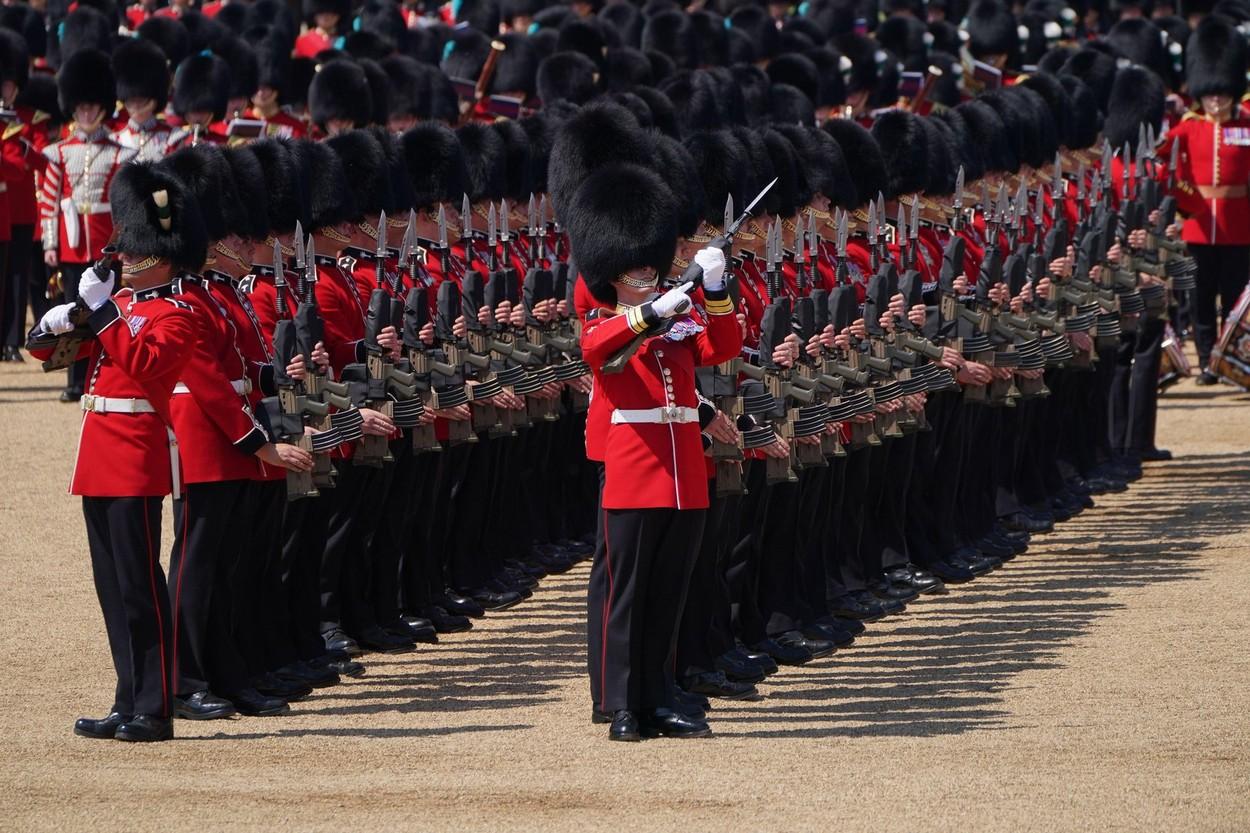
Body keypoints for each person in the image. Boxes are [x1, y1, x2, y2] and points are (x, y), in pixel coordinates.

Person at [27, 161, 207, 742]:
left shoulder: (178, 314)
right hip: (98, 455)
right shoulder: (122, 306)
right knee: (112, 588)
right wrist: (56, 322)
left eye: (130, 252)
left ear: (159, 255)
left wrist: (104, 310)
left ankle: (155, 708)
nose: (121, 259)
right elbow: (49, 357)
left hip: (134, 458)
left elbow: (147, 365)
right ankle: (127, 697)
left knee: (138, 585)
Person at [568, 161, 742, 741]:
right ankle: (621, 703)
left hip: (682, 466)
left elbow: (722, 347)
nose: (648, 274)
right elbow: (599, 348)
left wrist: (713, 290)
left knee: (669, 591)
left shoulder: (676, 316)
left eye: (652, 268)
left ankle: (658, 695)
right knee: (627, 592)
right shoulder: (607, 318)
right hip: (634, 462)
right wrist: (650, 311)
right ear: (613, 274)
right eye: (638, 271)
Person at [38, 48, 135, 401]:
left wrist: (123, 245)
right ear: (73, 109)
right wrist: (50, 244)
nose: (87, 112)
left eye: (92, 107)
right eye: (81, 107)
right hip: (70, 239)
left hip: (104, 241)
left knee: (106, 310)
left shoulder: (121, 153)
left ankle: (102, 377)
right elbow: (49, 201)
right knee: (71, 312)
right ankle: (73, 382)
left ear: (103, 107)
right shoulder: (58, 152)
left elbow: (123, 206)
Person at [1164, 16, 1250, 383]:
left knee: (1233, 300)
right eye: (1210, 94)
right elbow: (1166, 169)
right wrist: (1185, 206)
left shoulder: (1247, 126)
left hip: (1238, 224)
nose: (1216, 100)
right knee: (1200, 300)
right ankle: (1205, 364)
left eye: (1222, 94)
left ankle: (1229, 361)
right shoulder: (1187, 128)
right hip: (1197, 226)